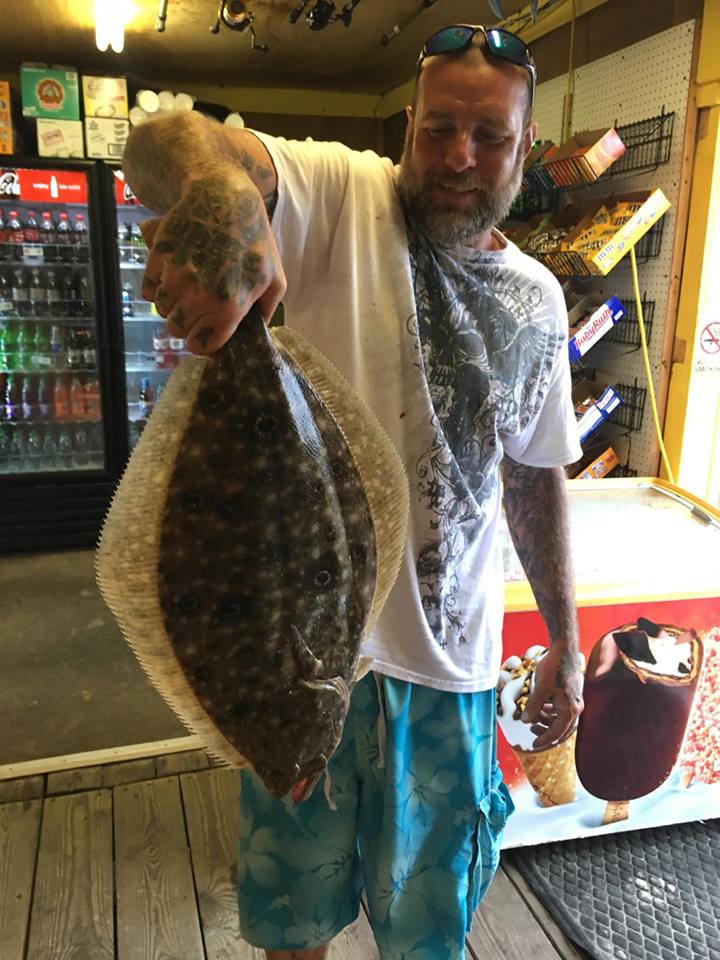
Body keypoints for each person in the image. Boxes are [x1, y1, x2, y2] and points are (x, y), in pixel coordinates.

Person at [123, 22, 584, 960]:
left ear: (524, 149)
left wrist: (568, 648)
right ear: (408, 126)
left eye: (488, 136)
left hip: (453, 673)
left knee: (429, 941)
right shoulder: (344, 193)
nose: (459, 157)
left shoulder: (538, 296)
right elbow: (162, 140)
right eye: (438, 128)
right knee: (293, 936)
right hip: (297, 661)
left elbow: (534, 481)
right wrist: (220, 194)